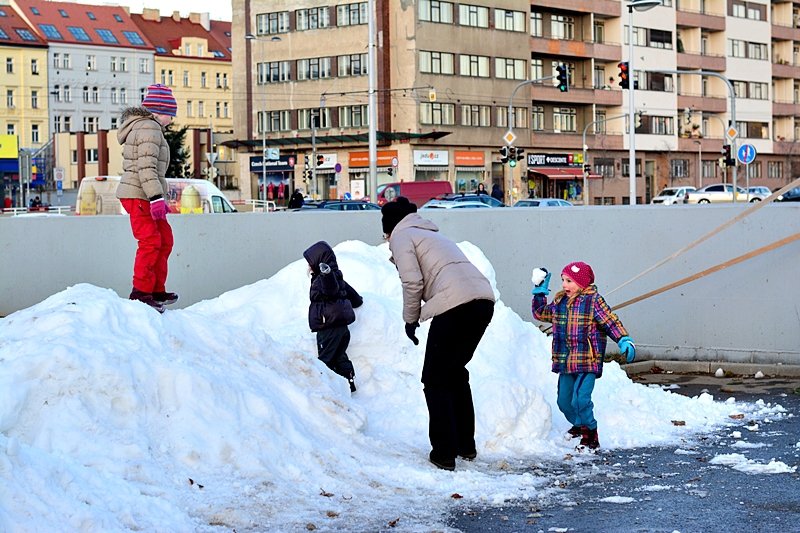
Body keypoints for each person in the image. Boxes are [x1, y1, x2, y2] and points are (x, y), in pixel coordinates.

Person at [381, 196, 495, 471]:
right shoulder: (432, 234)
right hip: (482, 302)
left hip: (456, 305)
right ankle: (465, 445)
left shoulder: (401, 235)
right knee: (454, 373)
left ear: (390, 225)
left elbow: (412, 280)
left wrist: (410, 320)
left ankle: (444, 453)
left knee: (434, 378)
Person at [530, 262, 636, 450]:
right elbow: (540, 314)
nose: (564, 285)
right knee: (563, 401)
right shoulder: (560, 302)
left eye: (569, 281)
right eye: (563, 280)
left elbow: (610, 321)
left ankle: (590, 433)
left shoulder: (593, 301)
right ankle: (579, 424)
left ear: (582, 283)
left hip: (588, 359)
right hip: (565, 360)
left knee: (581, 399)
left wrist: (623, 339)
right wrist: (539, 292)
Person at [116, 83, 178, 313]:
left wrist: (158, 197)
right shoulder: (149, 128)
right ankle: (140, 293)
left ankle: (156, 289)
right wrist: (155, 197)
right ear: (160, 111)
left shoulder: (148, 127)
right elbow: (146, 166)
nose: (171, 120)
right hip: (139, 194)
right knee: (151, 241)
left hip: (145, 194)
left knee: (165, 239)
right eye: (171, 114)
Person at [303, 240, 363, 393]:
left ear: (319, 262)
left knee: (326, 360)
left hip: (328, 328)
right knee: (339, 356)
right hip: (341, 328)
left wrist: (326, 274)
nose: (308, 266)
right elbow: (348, 291)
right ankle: (349, 382)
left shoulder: (326, 278)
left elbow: (331, 288)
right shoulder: (337, 276)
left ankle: (326, 390)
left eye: (310, 262)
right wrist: (357, 300)